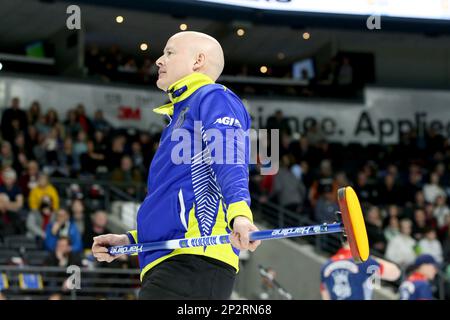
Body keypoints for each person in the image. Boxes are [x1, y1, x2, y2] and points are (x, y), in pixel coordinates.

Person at [92, 31, 261, 300]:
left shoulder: (213, 96)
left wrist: (240, 213)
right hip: (171, 261)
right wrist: (132, 241)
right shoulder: (180, 115)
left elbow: (228, 152)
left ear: (198, 61)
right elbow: (176, 200)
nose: (159, 60)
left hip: (194, 259)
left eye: (169, 53)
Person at [320, 241, 401, 300]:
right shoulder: (365, 262)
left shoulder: (326, 265)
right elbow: (395, 274)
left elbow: (325, 296)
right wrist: (373, 259)